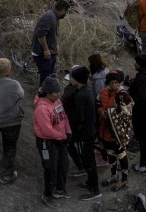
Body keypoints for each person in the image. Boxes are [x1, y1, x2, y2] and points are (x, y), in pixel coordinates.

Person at [33, 76, 71, 208]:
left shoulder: (57, 101)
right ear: (48, 93)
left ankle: (60, 189)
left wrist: (68, 132)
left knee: (63, 164)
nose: (59, 94)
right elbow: (47, 130)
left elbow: (64, 117)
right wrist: (62, 137)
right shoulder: (42, 109)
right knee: (50, 169)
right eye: (56, 92)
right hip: (47, 143)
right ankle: (47, 195)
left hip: (60, 140)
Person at [65, 66, 100, 201]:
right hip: (90, 131)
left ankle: (95, 190)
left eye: (72, 77)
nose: (71, 79)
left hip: (85, 134)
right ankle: (90, 183)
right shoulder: (86, 90)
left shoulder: (80, 95)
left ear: (77, 80)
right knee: (88, 159)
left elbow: (79, 118)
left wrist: (73, 130)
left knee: (88, 161)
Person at [98, 70, 133, 191]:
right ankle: (113, 176)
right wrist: (100, 111)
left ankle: (124, 179)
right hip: (105, 130)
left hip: (118, 132)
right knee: (110, 154)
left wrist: (109, 113)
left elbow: (128, 112)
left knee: (121, 154)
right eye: (111, 83)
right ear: (107, 83)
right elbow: (98, 104)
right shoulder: (102, 92)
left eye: (116, 82)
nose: (114, 85)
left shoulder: (123, 95)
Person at [128, 53, 146, 173]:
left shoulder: (141, 78)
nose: (135, 64)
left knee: (142, 138)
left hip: (142, 112)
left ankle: (143, 166)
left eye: (137, 63)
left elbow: (140, 96)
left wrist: (129, 93)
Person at [31, 0, 70, 84]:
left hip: (49, 53)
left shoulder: (55, 17)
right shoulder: (49, 17)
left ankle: (48, 94)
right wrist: (46, 50)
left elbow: (53, 33)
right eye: (66, 12)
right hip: (42, 53)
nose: (65, 14)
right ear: (63, 10)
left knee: (51, 76)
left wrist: (56, 44)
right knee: (45, 78)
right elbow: (41, 35)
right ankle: (42, 95)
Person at [61, 65, 87, 177]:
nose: (69, 77)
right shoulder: (83, 88)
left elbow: (64, 104)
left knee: (70, 145)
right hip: (77, 124)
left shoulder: (72, 89)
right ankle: (84, 166)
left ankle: (82, 167)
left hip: (73, 123)